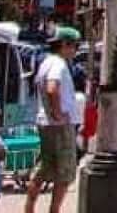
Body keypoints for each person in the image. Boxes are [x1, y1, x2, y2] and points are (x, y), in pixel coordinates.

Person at [24, 25, 80, 213]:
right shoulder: (58, 64)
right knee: (65, 173)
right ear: (64, 45)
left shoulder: (46, 62)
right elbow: (52, 87)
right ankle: (54, 210)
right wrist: (58, 113)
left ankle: (29, 207)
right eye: (74, 46)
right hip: (59, 126)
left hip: (45, 123)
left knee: (45, 167)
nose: (75, 50)